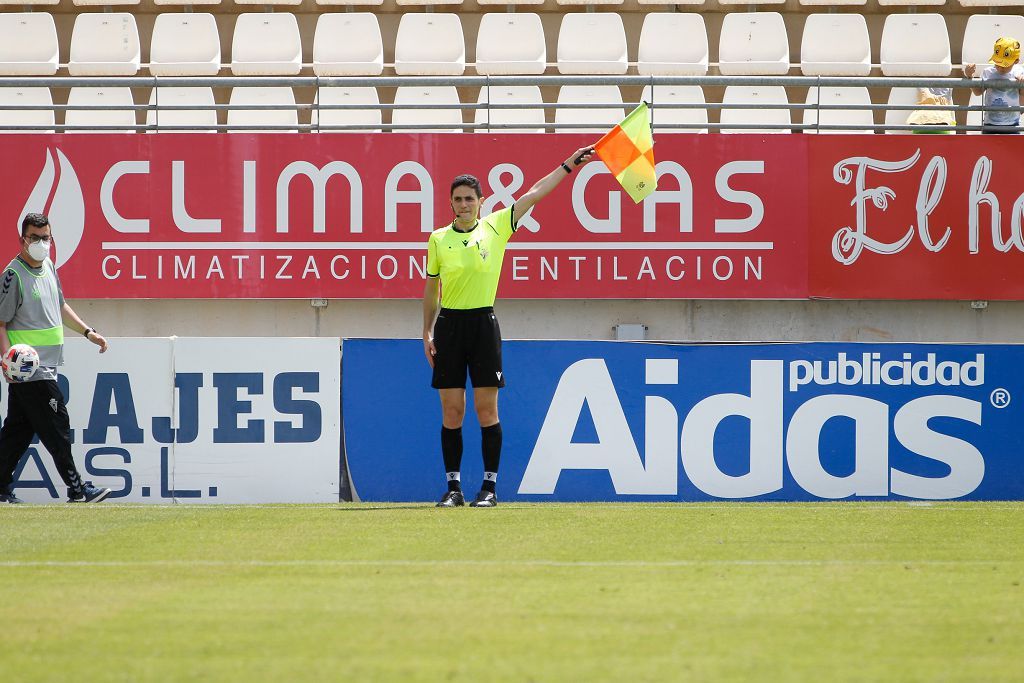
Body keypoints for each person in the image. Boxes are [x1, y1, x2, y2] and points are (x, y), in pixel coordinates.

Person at [423, 145, 596, 507]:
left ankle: (489, 488)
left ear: (482, 201)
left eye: (470, 198)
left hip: (483, 325)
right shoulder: (438, 239)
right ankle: (453, 489)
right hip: (449, 327)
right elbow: (431, 290)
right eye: (457, 199)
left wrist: (569, 164)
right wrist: (426, 331)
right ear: (450, 203)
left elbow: (535, 192)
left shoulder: (497, 226)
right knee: (452, 410)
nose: (463, 204)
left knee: (487, 409)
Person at [0, 213, 111, 504]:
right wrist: (6, 361)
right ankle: (77, 489)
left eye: (45, 237)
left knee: (17, 431)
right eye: (34, 237)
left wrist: (88, 332)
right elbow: (0, 323)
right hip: (29, 371)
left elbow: (60, 306)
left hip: (48, 365)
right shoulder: (13, 276)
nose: (40, 243)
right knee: (57, 427)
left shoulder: (48, 266)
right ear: (22, 239)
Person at [964, 36, 1024, 134]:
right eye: (997, 63)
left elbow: (1022, 100)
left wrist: (1022, 85)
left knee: (1010, 149)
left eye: (1005, 65)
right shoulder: (988, 72)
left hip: (1013, 124)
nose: (1000, 68)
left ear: (1016, 61)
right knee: (988, 149)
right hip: (990, 123)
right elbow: (978, 92)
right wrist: (970, 76)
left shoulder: (1020, 72)